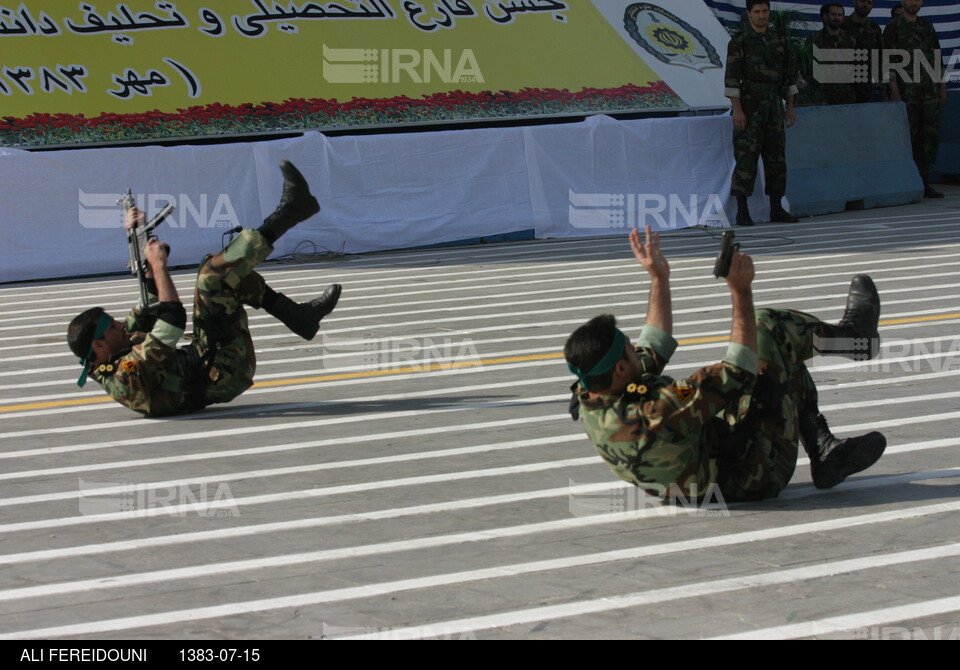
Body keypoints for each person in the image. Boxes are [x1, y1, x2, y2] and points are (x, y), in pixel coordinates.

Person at [564, 227, 887, 503]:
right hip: (752, 476)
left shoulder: (595, 390)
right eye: (629, 350)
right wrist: (740, 289)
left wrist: (659, 277)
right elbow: (738, 369)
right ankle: (855, 340)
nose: (636, 348)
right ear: (620, 369)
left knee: (770, 360)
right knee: (766, 330)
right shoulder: (660, 410)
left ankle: (823, 448)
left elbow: (654, 345)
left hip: (706, 459)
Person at [67, 160, 342, 417]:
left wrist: (141, 241)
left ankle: (297, 316)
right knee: (213, 276)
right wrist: (160, 266)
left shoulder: (111, 352)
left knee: (223, 273)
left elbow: (150, 301)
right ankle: (290, 213)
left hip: (206, 358)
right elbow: (171, 322)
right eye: (111, 327)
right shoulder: (124, 374)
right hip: (222, 372)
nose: (119, 324)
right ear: (98, 345)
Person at [725, 0, 801, 227]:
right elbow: (731, 80)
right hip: (749, 108)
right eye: (757, 12)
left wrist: (790, 108)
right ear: (748, 14)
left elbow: (790, 77)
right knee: (746, 159)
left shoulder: (780, 39)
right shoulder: (739, 41)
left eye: (765, 11)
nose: (761, 16)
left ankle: (777, 209)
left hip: (774, 109)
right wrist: (737, 110)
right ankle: (742, 211)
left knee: (776, 160)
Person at [883, 0, 948, 199]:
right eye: (910, 0)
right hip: (906, 93)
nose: (914, 3)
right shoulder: (894, 26)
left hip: (928, 92)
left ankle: (925, 181)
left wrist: (942, 86)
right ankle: (908, 182)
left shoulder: (927, 26)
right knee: (907, 138)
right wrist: (894, 90)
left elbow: (937, 57)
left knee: (928, 138)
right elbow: (887, 61)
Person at [807, 3, 858, 105]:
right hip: (822, 97)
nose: (837, 18)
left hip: (847, 97)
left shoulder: (850, 40)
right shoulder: (815, 40)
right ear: (826, 16)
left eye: (840, 15)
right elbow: (806, 68)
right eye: (833, 14)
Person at [843, 0, 884, 103]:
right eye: (862, 1)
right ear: (854, 2)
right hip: (841, 86)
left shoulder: (874, 28)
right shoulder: (841, 24)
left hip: (867, 89)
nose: (865, 5)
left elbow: (880, 58)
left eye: (869, 2)